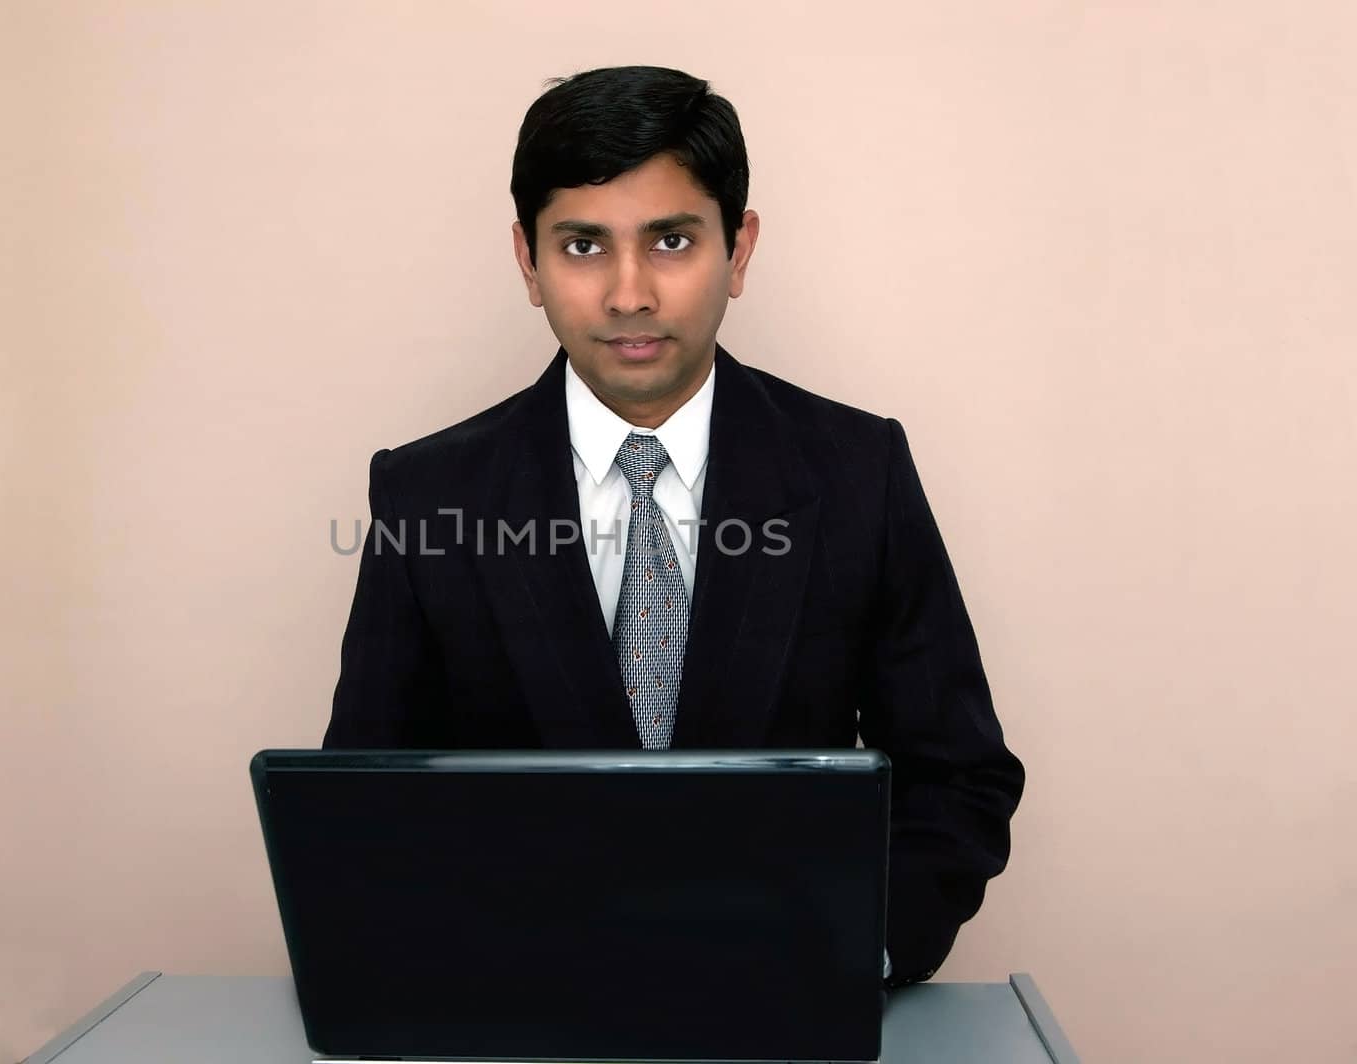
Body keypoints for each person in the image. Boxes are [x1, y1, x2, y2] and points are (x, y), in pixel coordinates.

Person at [322, 64, 1024, 987]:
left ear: (738, 250)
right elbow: (361, 804)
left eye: (671, 241)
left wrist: (855, 949)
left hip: (786, 1003)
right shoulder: (428, 493)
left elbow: (956, 776)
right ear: (528, 263)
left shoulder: (858, 473)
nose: (628, 294)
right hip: (518, 1008)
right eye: (581, 246)